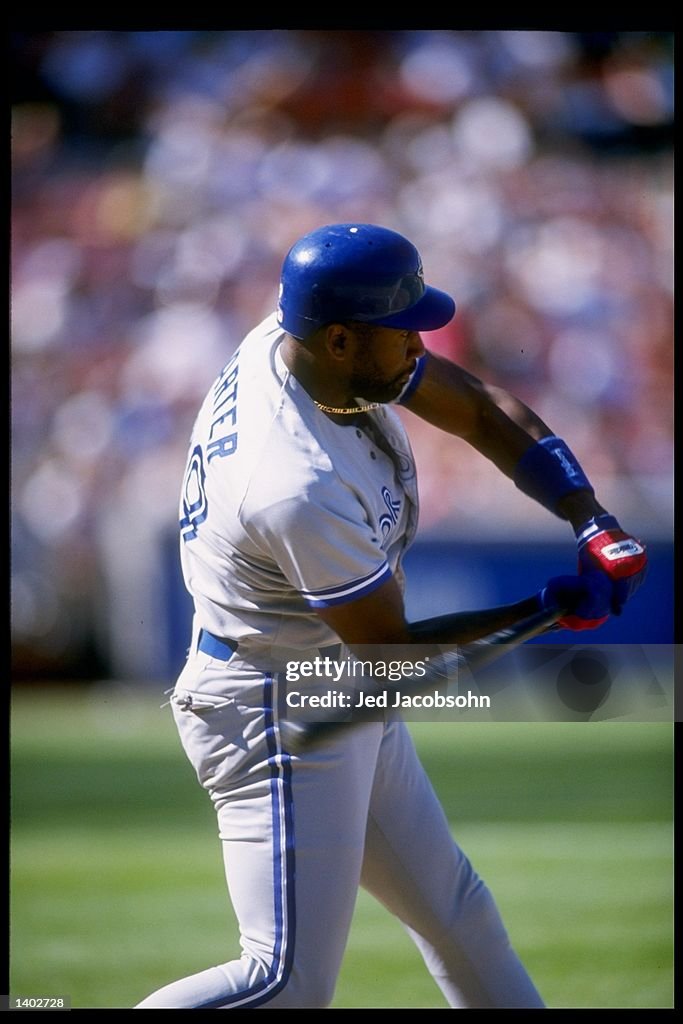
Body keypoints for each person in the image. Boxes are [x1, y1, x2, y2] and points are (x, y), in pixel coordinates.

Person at [135, 223, 647, 1009]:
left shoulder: (308, 341)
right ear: (340, 339)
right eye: (400, 327)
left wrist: (590, 520)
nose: (418, 342)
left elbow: (476, 410)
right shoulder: (293, 482)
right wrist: (540, 612)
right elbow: (390, 654)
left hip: (318, 677)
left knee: (458, 917)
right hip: (279, 705)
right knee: (282, 982)